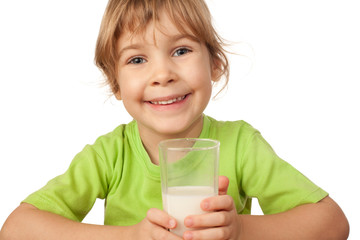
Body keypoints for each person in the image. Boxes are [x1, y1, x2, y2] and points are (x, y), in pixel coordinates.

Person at [0, 0, 349, 239]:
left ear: (215, 64)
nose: (162, 74)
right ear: (115, 83)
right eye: (137, 60)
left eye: (181, 51)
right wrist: (131, 236)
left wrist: (241, 230)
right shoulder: (109, 155)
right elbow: (16, 230)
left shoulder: (241, 145)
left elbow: (333, 223)